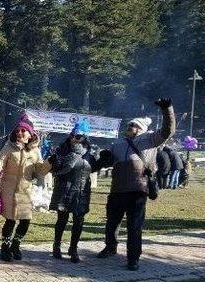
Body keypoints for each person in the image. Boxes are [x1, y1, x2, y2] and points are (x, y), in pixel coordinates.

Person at [97, 98, 176, 271]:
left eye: (133, 125)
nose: (129, 126)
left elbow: (168, 130)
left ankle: (133, 258)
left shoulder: (150, 139)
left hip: (137, 189)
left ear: (140, 129)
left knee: (134, 226)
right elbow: (110, 161)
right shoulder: (118, 143)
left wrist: (167, 109)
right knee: (112, 222)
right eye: (129, 124)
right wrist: (105, 157)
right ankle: (110, 247)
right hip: (117, 189)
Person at [0, 115, 52, 262]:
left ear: (30, 134)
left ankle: (16, 245)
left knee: (25, 221)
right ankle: (5, 249)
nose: (19, 133)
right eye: (18, 130)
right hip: (9, 190)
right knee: (10, 221)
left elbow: (39, 172)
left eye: (23, 131)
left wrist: (49, 163)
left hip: (26, 191)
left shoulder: (35, 150)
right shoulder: (8, 147)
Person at [50, 120, 100, 263]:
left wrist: (103, 161)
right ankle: (57, 245)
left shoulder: (89, 153)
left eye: (78, 136)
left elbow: (93, 168)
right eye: (73, 135)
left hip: (82, 191)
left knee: (79, 221)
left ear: (85, 138)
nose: (74, 138)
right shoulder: (63, 149)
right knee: (62, 220)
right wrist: (55, 163)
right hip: (65, 189)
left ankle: (73, 248)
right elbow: (55, 170)